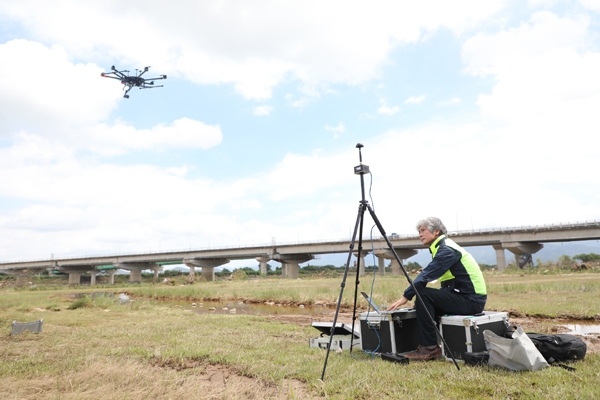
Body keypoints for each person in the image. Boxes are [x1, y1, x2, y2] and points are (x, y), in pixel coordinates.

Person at [386, 217, 487, 361]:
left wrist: (406, 296)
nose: (420, 234)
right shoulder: (442, 247)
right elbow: (448, 284)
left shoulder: (447, 249)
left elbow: (427, 274)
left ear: (436, 232)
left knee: (423, 295)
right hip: (464, 297)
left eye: (423, 230)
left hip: (471, 300)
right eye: (419, 231)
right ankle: (429, 344)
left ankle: (429, 348)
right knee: (423, 303)